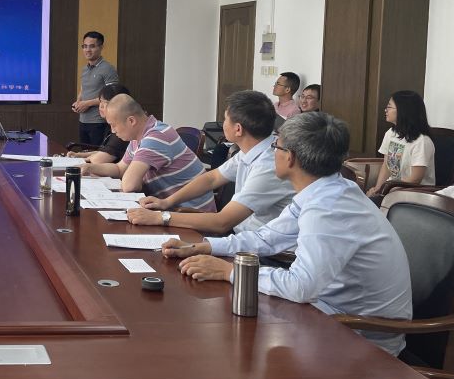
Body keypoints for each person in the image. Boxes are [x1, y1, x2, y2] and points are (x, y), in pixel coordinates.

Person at [164, 112, 412, 356]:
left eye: (276, 146)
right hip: (326, 311)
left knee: (229, 346)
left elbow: (301, 287)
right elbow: (265, 237)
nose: (272, 152)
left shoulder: (329, 208)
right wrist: (205, 246)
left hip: (362, 336)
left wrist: (229, 272)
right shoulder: (324, 190)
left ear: (290, 157)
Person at [127, 90, 293, 234]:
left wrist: (160, 217)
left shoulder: (269, 165)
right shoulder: (253, 149)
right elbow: (212, 178)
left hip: (263, 249)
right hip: (243, 235)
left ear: (238, 129)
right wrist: (166, 202)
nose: (223, 124)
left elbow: (222, 223)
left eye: (225, 119)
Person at [87, 95, 215, 210]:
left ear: (131, 121)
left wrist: (136, 180)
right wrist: (89, 168)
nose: (113, 131)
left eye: (114, 125)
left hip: (190, 213)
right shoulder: (139, 137)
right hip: (169, 207)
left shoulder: (156, 137)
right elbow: (120, 169)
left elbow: (129, 186)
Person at [367, 90, 436, 196]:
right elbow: (387, 166)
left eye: (389, 107)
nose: (385, 110)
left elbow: (415, 179)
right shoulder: (391, 133)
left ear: (403, 111)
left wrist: (387, 191)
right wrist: (378, 189)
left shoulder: (422, 141)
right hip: (392, 189)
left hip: (416, 193)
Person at [72, 31, 119, 146]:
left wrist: (87, 103)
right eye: (85, 46)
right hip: (83, 120)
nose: (87, 50)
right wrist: (78, 102)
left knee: (97, 153)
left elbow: (112, 96)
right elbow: (83, 88)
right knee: (85, 152)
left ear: (101, 47)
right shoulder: (85, 69)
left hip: (99, 122)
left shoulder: (108, 69)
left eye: (92, 46)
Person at [67, 82, 131, 163]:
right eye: (100, 101)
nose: (100, 106)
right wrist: (79, 155)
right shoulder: (113, 123)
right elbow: (105, 150)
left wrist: (81, 160)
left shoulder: (123, 127)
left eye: (105, 103)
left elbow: (101, 159)